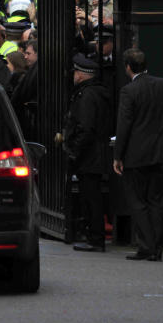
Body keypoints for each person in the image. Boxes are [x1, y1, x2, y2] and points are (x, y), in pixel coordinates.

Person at [113, 48, 163, 261]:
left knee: (137, 202)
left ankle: (147, 246)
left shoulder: (129, 91)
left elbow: (124, 125)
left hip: (136, 155)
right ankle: (156, 247)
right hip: (160, 153)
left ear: (128, 67)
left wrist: (117, 155)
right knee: (156, 201)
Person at [64, 54, 113, 252]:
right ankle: (94, 236)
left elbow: (85, 126)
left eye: (76, 72)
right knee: (92, 196)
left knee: (91, 197)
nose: (74, 75)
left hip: (90, 154)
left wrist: (74, 150)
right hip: (96, 152)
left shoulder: (87, 95)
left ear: (83, 75)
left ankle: (95, 238)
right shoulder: (97, 93)